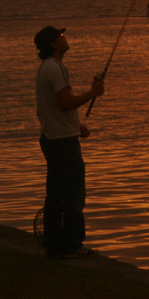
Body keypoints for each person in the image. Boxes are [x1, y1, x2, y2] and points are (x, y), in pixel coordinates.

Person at [34, 26, 105, 260]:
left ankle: (54, 244)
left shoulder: (45, 69)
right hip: (63, 143)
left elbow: (51, 107)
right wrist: (92, 92)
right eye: (61, 36)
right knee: (74, 194)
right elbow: (64, 103)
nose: (65, 38)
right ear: (53, 44)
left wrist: (76, 126)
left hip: (53, 138)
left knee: (55, 194)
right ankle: (73, 244)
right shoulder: (57, 68)